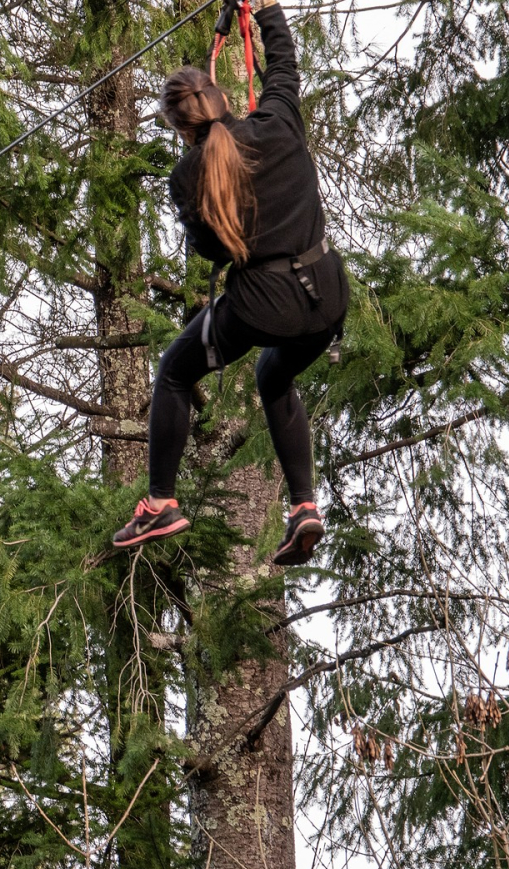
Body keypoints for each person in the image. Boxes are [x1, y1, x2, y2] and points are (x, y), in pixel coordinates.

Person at [112, 0, 348, 565]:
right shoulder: (278, 120)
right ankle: (303, 507)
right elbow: (284, 65)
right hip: (328, 296)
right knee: (275, 373)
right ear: (223, 99)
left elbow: (211, 252)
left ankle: (160, 503)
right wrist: (266, 10)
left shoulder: (189, 174)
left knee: (174, 371)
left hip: (266, 305)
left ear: (180, 128)